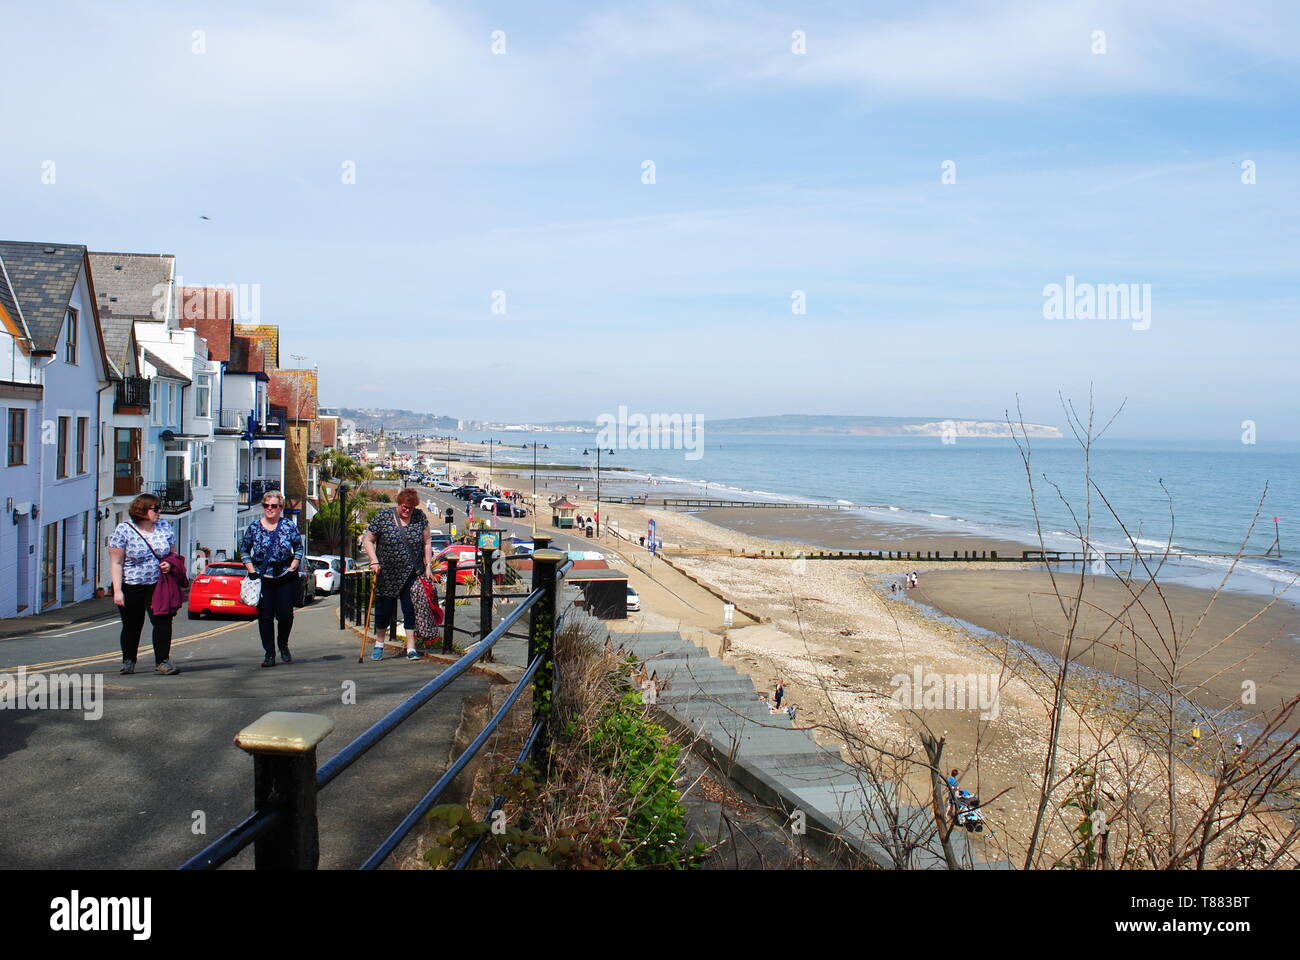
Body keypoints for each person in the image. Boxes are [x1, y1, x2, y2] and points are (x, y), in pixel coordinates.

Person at [108, 493, 181, 675]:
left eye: (159, 508)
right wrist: (118, 591)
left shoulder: (164, 526)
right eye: (155, 509)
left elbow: (173, 554)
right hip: (132, 585)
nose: (159, 512)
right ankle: (128, 660)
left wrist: (169, 563)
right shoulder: (124, 530)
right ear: (141, 511)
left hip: (159, 584)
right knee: (132, 624)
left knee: (163, 621)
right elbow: (116, 563)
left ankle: (162, 661)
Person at [363, 487, 432, 661]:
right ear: (399, 503)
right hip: (387, 572)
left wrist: (428, 566)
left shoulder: (420, 517)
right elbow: (368, 540)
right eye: (404, 507)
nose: (407, 511)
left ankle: (411, 647)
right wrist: (374, 560)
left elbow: (427, 542)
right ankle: (379, 643)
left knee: (410, 609)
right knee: (383, 610)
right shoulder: (384, 517)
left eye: (410, 508)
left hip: (411, 572)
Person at [241, 490, 304, 667]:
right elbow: (244, 550)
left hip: (284, 575)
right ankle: (269, 653)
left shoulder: (288, 526)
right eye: (266, 505)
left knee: (285, 615)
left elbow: (298, 547)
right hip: (262, 577)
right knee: (265, 617)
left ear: (280, 508)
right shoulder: (254, 527)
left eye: (274, 506)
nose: (270, 509)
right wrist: (251, 569)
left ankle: (283, 645)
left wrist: (295, 562)